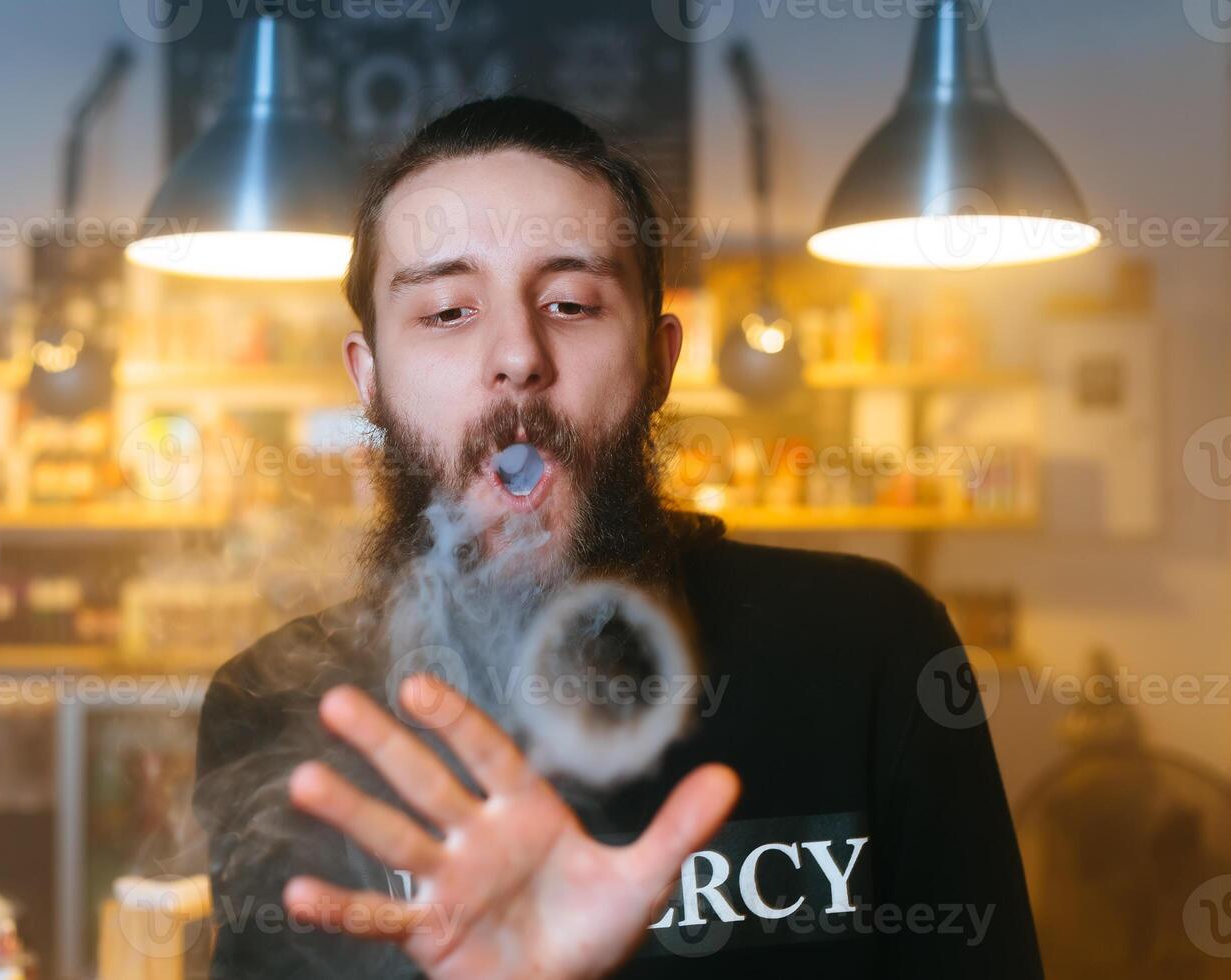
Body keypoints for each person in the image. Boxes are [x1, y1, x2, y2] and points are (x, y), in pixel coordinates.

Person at [193, 95, 1043, 979]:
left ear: (659, 362)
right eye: (447, 311)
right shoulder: (272, 708)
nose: (517, 354)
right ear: (369, 382)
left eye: (571, 302)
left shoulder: (871, 649)